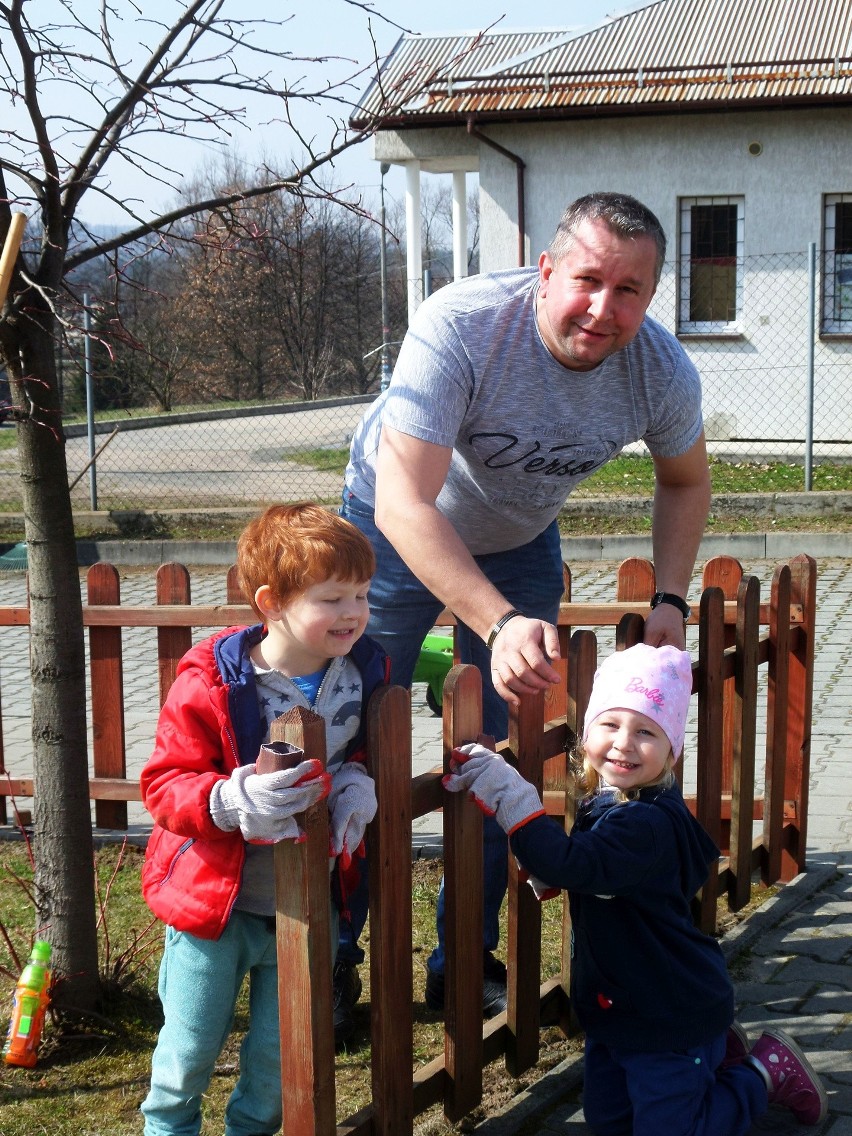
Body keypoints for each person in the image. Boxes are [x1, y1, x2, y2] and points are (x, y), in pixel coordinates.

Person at [338, 191, 712, 1016]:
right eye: (585, 280)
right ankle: (333, 959)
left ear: (650, 298)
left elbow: (685, 479)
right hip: (391, 529)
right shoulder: (463, 325)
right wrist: (498, 622)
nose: (602, 309)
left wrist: (672, 596)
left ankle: (463, 958)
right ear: (545, 272)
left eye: (628, 291)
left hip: (519, 536)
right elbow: (406, 504)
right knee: (352, 743)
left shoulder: (660, 368)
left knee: (502, 755)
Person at [443, 643, 828, 1134]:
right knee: (610, 1121)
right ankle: (713, 1056)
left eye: (646, 731)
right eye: (610, 725)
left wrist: (513, 795)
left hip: (665, 1010)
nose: (624, 744)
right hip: (622, 1008)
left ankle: (761, 1074)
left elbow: (576, 862)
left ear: (671, 748)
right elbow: (597, 871)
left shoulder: (643, 823)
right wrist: (566, 876)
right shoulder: (615, 803)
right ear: (586, 736)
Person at [139, 503, 388, 1136]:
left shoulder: (364, 672)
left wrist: (357, 782)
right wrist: (229, 798)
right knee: (188, 1056)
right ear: (271, 601)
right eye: (333, 598)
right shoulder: (214, 681)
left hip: (305, 904)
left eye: (361, 594)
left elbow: (356, 752)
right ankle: (168, 1128)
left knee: (283, 1060)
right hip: (214, 911)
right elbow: (165, 784)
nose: (354, 612)